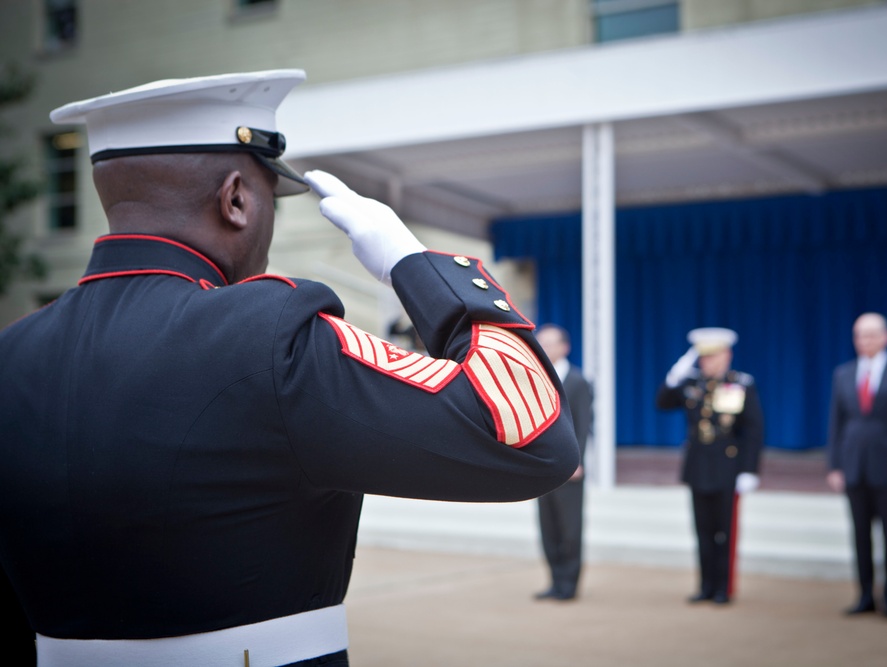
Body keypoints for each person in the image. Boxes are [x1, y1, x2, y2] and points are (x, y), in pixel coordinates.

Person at [0, 70, 578, 667]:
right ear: (236, 199)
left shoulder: (12, 356)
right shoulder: (266, 334)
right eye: (269, 198)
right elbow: (530, 442)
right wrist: (419, 267)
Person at [656, 327, 764, 605]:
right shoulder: (692, 383)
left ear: (726, 356)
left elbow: (753, 431)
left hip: (728, 467)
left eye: (713, 357)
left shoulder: (740, 383)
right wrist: (673, 377)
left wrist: (750, 470)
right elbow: (663, 403)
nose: (707, 363)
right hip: (698, 466)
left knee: (724, 531)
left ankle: (723, 588)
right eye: (703, 358)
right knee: (702, 531)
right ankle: (705, 585)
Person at [827, 312, 887, 620]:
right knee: (860, 536)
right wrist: (835, 466)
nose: (864, 341)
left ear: (885, 337)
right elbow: (836, 424)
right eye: (859, 335)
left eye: (870, 335)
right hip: (854, 467)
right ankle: (865, 594)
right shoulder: (843, 373)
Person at [533, 324, 593, 602]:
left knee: (570, 529)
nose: (544, 348)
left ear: (564, 347)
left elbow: (583, 426)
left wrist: (577, 461)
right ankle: (555, 581)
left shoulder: (578, 382)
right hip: (542, 467)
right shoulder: (536, 378)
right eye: (540, 343)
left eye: (550, 343)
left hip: (570, 469)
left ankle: (569, 584)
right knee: (548, 528)